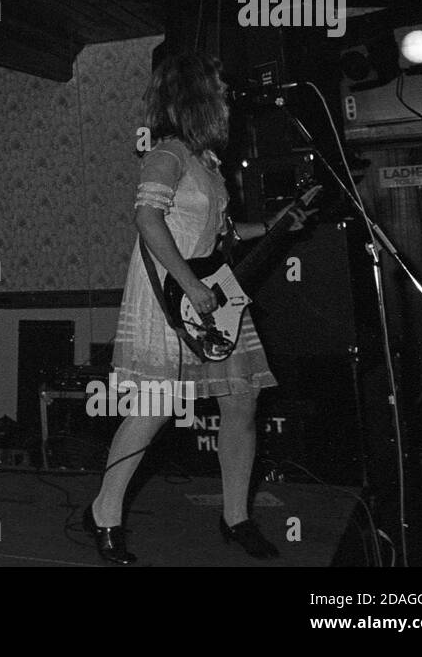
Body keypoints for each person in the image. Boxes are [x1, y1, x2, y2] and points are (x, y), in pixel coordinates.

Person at [84, 51, 311, 564]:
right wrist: (189, 285)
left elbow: (222, 234)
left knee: (241, 401)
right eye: (220, 91)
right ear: (197, 98)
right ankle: (106, 510)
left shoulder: (206, 162)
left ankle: (237, 517)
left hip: (212, 287)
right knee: (156, 405)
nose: (229, 99)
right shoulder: (167, 154)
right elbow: (148, 219)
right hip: (175, 291)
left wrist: (279, 224)